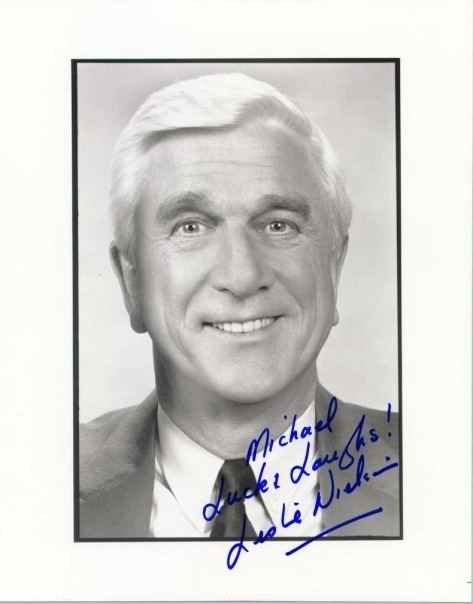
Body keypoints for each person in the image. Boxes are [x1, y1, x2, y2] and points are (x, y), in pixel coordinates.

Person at [79, 73, 400, 540]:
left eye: (278, 225)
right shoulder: (38, 483)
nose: (243, 276)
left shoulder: (445, 469)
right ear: (132, 281)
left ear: (333, 267)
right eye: (191, 227)